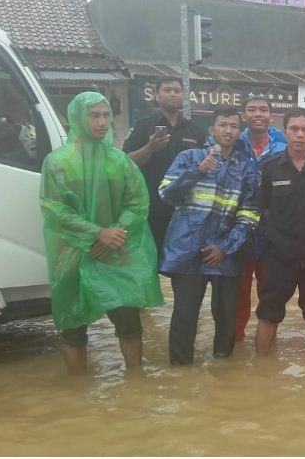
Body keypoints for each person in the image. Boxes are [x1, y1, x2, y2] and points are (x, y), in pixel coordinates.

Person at [39, 92, 164, 375]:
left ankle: (135, 381)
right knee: (72, 325)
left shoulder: (120, 161)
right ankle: (78, 387)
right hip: (73, 255)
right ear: (77, 118)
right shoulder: (57, 162)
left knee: (129, 323)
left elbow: (137, 202)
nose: (102, 122)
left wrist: (114, 234)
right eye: (94, 115)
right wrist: (96, 234)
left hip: (117, 253)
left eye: (106, 115)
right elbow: (54, 209)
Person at [159, 107, 259, 365]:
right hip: (187, 249)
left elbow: (249, 214)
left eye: (234, 126)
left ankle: (223, 369)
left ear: (240, 132)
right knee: (185, 313)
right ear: (212, 130)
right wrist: (197, 171)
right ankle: (180, 369)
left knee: (226, 316)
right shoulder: (189, 157)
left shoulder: (246, 169)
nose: (228, 130)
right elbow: (166, 193)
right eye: (223, 125)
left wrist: (225, 247)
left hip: (225, 253)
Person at [254, 108, 305, 356]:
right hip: (278, 255)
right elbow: (264, 208)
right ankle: (261, 367)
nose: (299, 135)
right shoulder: (269, 168)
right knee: (269, 312)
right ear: (284, 132)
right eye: (294, 129)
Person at [123, 76, 206, 260]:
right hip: (152, 211)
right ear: (157, 95)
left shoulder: (195, 130)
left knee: (182, 268)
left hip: (186, 212)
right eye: (167, 90)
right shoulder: (143, 126)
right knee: (149, 265)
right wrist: (150, 148)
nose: (172, 94)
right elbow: (126, 163)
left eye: (177, 91)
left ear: (183, 95)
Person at [234, 94, 288, 342]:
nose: (258, 113)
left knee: (270, 292)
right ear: (243, 116)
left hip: (272, 232)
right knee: (236, 292)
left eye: (263, 109)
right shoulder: (232, 142)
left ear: (271, 116)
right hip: (236, 232)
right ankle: (234, 341)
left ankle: (267, 343)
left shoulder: (283, 147)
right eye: (252, 109)